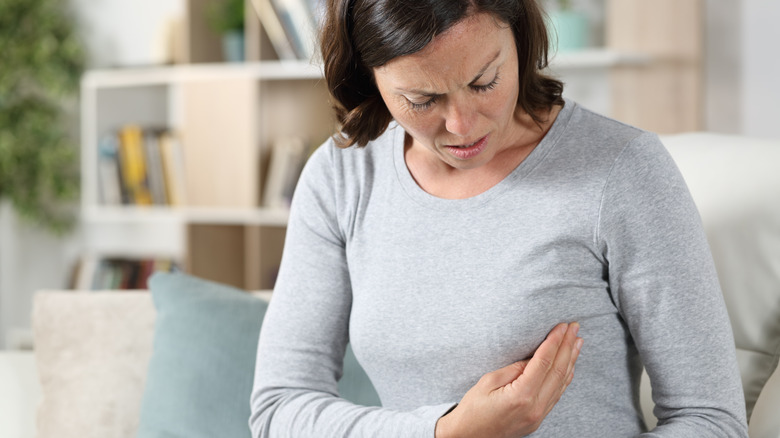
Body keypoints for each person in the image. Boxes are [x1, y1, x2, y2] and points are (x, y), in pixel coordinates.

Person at [250, 0, 749, 436]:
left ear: (520, 39)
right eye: (422, 100)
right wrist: (447, 432)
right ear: (370, 78)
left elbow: (712, 421)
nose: (463, 125)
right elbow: (278, 411)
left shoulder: (622, 169)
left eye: (484, 80)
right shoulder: (341, 176)